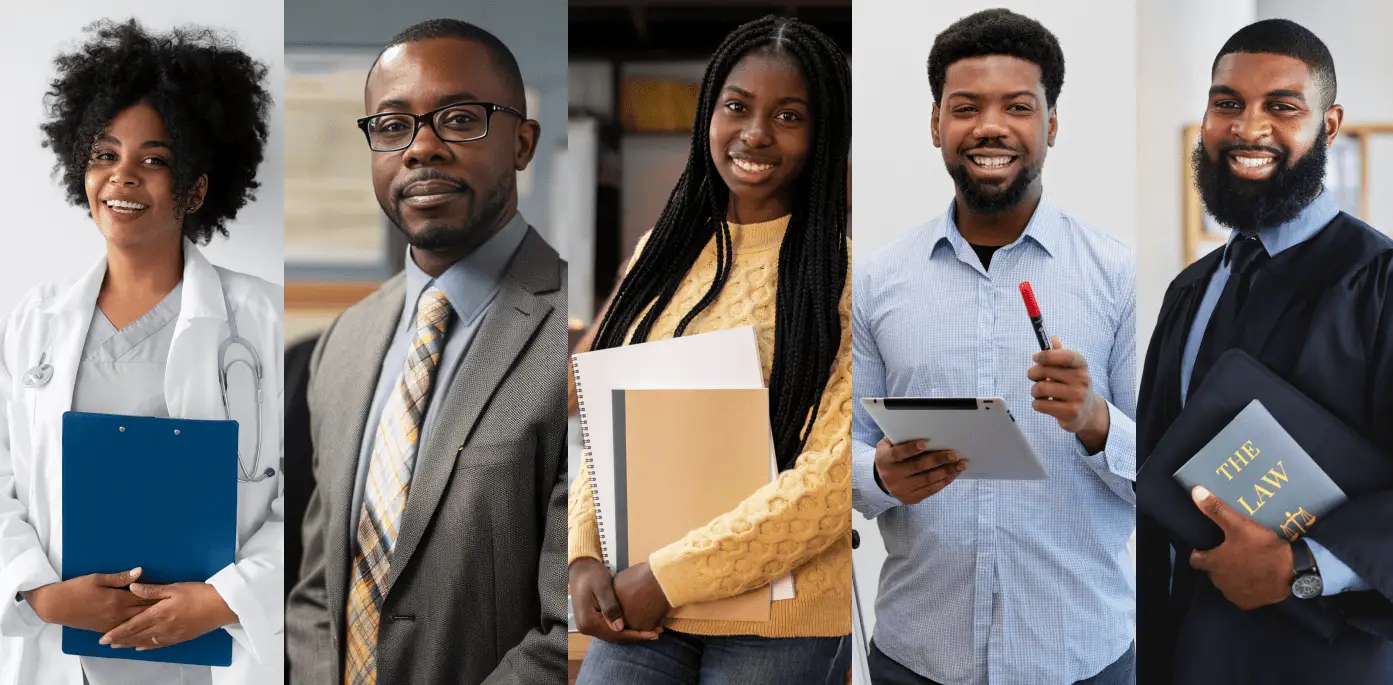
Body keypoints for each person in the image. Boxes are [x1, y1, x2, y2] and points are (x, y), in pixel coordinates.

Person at [566, 15, 853, 683]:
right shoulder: (660, 257)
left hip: (777, 616)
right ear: (709, 115)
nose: (755, 132)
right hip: (642, 598)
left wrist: (667, 576)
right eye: (737, 107)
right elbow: (612, 423)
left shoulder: (839, 280)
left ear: (821, 136)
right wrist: (584, 551)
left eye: (789, 116)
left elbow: (830, 479)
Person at [853, 10, 1136, 684]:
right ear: (935, 124)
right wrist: (880, 475)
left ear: (1051, 124)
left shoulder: (1118, 274)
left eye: (1017, 106)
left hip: (1081, 656)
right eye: (966, 107)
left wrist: (1096, 420)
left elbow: (1169, 470)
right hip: (918, 657)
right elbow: (840, 449)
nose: (990, 126)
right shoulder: (876, 279)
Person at [284, 18, 567, 685]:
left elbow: (566, 629)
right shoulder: (342, 342)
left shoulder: (577, 335)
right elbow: (318, 589)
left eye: (460, 119)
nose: (422, 148)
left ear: (522, 143)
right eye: (392, 126)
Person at [1136, 19, 1393, 684]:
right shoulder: (1194, 289)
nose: (1247, 126)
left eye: (1282, 106)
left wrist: (1306, 566)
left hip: (1332, 655)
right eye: (1226, 102)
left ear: (1329, 123)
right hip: (1188, 647)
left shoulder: (1391, 286)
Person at [0, 19, 283, 685]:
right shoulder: (33, 320)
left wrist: (222, 599)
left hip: (215, 653)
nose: (122, 177)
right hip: (64, 655)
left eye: (154, 159)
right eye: (104, 155)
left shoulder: (263, 320)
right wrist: (40, 592)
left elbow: (309, 501)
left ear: (196, 188)